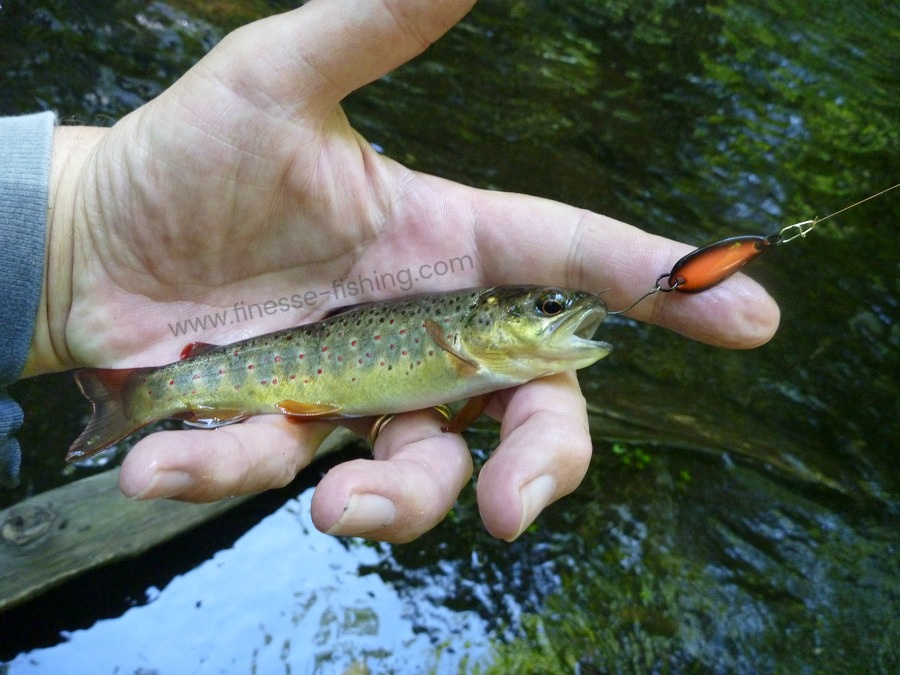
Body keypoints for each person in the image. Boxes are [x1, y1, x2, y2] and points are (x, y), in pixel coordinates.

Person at [0, 0, 778, 543]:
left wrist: (63, 238)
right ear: (481, 322)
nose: (565, 316)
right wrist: (69, 234)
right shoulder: (460, 352)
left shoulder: (473, 352)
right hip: (252, 369)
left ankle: (139, 396)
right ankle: (135, 397)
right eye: (545, 307)